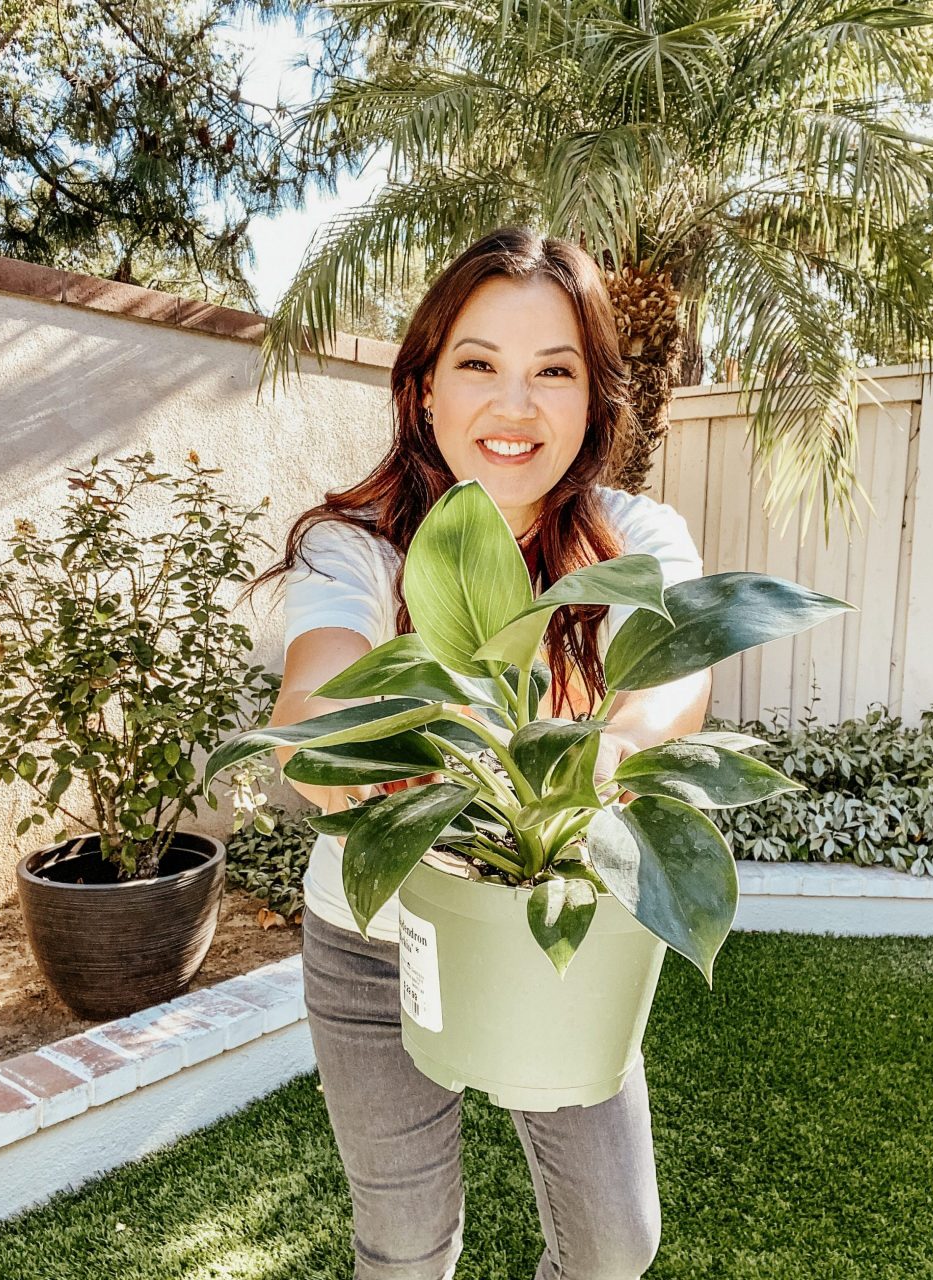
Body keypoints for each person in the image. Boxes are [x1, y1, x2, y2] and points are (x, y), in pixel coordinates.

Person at [252, 226, 711, 1279]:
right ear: (422, 390)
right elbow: (318, 689)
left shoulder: (637, 539)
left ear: (596, 397)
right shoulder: (356, 544)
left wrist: (615, 750)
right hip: (379, 938)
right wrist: (355, 755)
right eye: (478, 364)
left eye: (554, 370)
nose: (516, 406)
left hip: (564, 915)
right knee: (406, 1245)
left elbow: (679, 674)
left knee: (611, 1240)